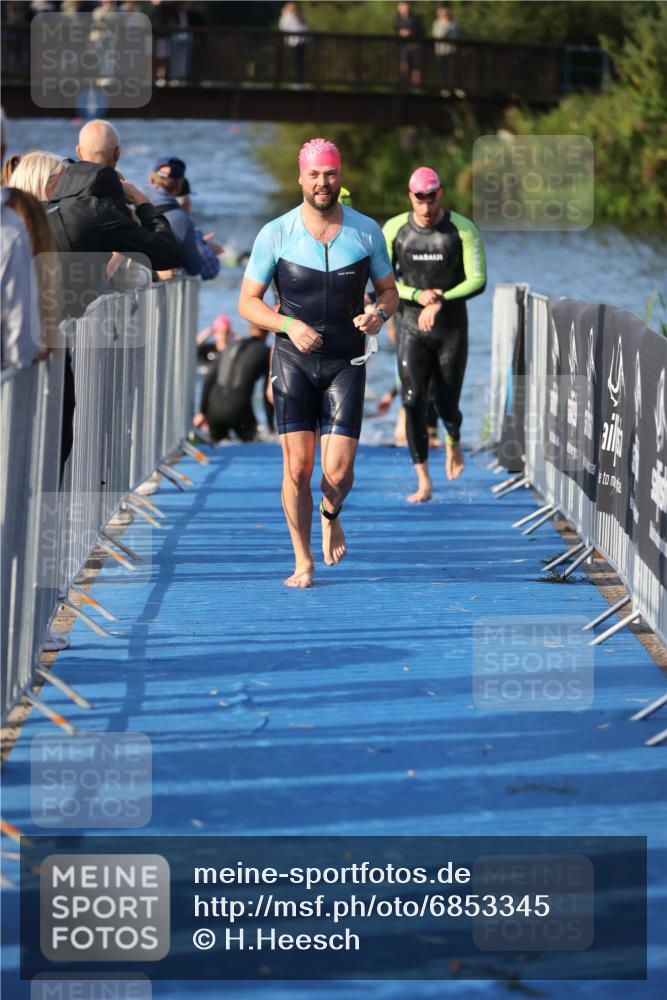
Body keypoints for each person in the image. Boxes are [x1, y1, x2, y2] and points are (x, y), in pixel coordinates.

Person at [238, 137, 398, 588]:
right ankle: (302, 560)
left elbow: (390, 292)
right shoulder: (276, 233)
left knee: (339, 472)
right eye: (314, 175)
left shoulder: (366, 231)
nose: (322, 182)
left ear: (340, 176)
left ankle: (331, 513)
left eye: (330, 174)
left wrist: (378, 314)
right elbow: (247, 303)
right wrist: (287, 325)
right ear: (301, 178)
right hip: (293, 359)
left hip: (347, 361)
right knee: (298, 468)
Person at [383, 166, 486, 502]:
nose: (426, 207)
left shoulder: (462, 229)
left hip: (450, 327)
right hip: (410, 324)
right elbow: (381, 280)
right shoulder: (395, 229)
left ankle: (453, 438)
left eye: (431, 197)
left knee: (446, 403)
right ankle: (423, 480)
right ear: (410, 196)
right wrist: (415, 296)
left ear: (440, 194)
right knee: (411, 400)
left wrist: (441, 298)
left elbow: (477, 280)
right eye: (419, 199)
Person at [142, 155, 222, 279]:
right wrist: (202, 246)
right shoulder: (181, 219)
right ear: (179, 185)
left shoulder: (131, 198)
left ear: (151, 177)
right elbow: (195, 268)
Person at [194, 323, 274, 443]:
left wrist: (202, 412)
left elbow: (209, 380)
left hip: (214, 410)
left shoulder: (231, 346)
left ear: (248, 329)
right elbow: (267, 392)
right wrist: (270, 425)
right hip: (240, 411)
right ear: (268, 331)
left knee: (217, 446)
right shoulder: (266, 352)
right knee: (251, 445)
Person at [394, 1, 423, 87]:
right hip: (403, 45)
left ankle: (415, 88)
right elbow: (395, 28)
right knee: (404, 66)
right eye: (402, 7)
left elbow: (421, 30)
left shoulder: (415, 17)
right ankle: (404, 86)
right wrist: (400, 32)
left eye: (405, 7)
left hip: (415, 45)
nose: (404, 9)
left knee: (416, 67)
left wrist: (410, 33)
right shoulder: (397, 18)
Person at [432, 6, 460, 94]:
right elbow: (439, 36)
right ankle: (444, 89)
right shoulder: (437, 23)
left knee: (452, 70)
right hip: (441, 51)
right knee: (442, 70)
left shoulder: (454, 23)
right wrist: (445, 26)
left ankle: (454, 88)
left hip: (452, 50)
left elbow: (457, 36)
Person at [279, 2, 308, 85]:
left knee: (301, 62)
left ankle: (300, 82)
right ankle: (297, 82)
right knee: (296, 62)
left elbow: (305, 28)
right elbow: (284, 27)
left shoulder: (300, 16)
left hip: (302, 41)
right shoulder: (287, 16)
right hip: (293, 42)